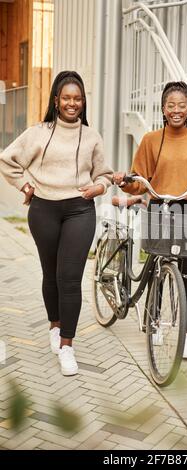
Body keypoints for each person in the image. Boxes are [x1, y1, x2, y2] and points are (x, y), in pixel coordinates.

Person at [0, 71, 113, 375]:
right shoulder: (38, 133)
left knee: (70, 278)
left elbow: (105, 174)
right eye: (67, 98)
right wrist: (25, 186)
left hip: (80, 210)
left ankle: (67, 346)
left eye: (77, 98)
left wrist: (98, 188)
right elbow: (7, 160)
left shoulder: (91, 137)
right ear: (56, 100)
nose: (72, 103)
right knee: (50, 274)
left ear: (83, 102)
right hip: (44, 210)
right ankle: (54, 325)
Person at [113, 81, 187, 359]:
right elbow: (140, 178)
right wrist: (127, 182)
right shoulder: (151, 140)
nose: (176, 110)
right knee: (157, 269)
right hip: (160, 208)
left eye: (182, 105)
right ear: (163, 109)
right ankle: (153, 325)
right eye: (171, 105)